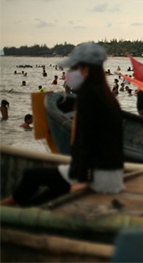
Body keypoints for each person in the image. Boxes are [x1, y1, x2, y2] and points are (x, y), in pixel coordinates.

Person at [1, 43, 124, 207]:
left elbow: (87, 140)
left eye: (73, 68)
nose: (69, 73)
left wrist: (83, 179)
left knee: (32, 175)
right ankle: (16, 207)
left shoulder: (89, 96)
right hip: (111, 175)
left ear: (85, 69)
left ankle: (8, 206)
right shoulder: (107, 96)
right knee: (41, 199)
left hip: (96, 177)